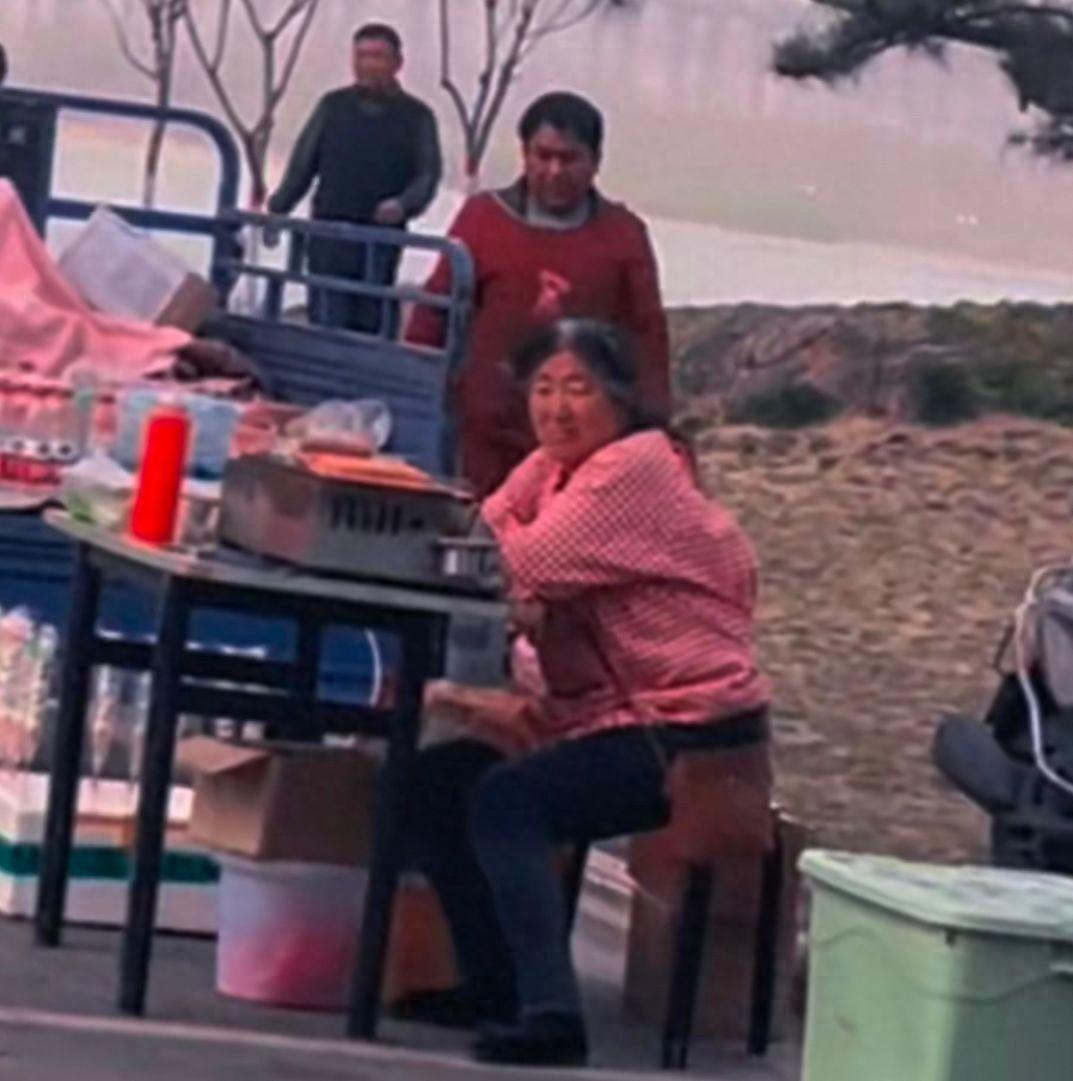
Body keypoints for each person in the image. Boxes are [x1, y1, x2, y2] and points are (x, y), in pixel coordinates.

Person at [397, 319, 770, 1067]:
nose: (557, 408)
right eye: (543, 389)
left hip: (688, 733)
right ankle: (495, 987)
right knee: (431, 783)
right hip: (611, 717)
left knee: (510, 801)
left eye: (579, 389)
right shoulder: (555, 467)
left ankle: (552, 1015)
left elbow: (520, 560)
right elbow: (484, 526)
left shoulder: (635, 467)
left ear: (622, 399)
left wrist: (521, 570)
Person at [405, 92, 670, 496]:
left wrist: (654, 424)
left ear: (595, 162)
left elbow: (646, 333)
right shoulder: (483, 219)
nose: (554, 171)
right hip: (488, 428)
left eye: (569, 159)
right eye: (543, 156)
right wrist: (414, 390)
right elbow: (435, 310)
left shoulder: (623, 234)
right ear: (524, 155)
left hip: (582, 439)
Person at [267, 23, 441, 335]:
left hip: (381, 239)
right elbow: (303, 164)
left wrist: (403, 205)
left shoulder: (417, 117)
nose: (368, 65)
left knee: (370, 325)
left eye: (377, 56)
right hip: (329, 234)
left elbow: (428, 174)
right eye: (361, 56)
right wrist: (277, 208)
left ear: (397, 63)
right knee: (326, 321)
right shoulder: (333, 107)